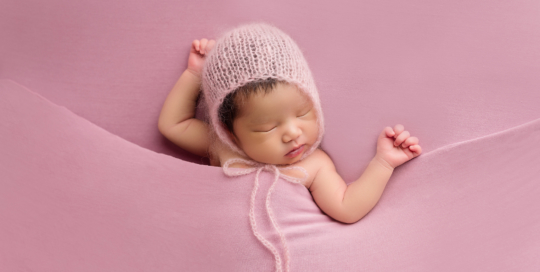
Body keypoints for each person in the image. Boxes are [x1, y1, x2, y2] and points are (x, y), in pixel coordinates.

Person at [158, 22, 422, 271]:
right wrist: (195, 74)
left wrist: (383, 163)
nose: (292, 133)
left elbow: (346, 207)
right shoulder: (224, 149)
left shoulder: (313, 164)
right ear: (230, 133)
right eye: (267, 128)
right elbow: (173, 125)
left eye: (304, 113)